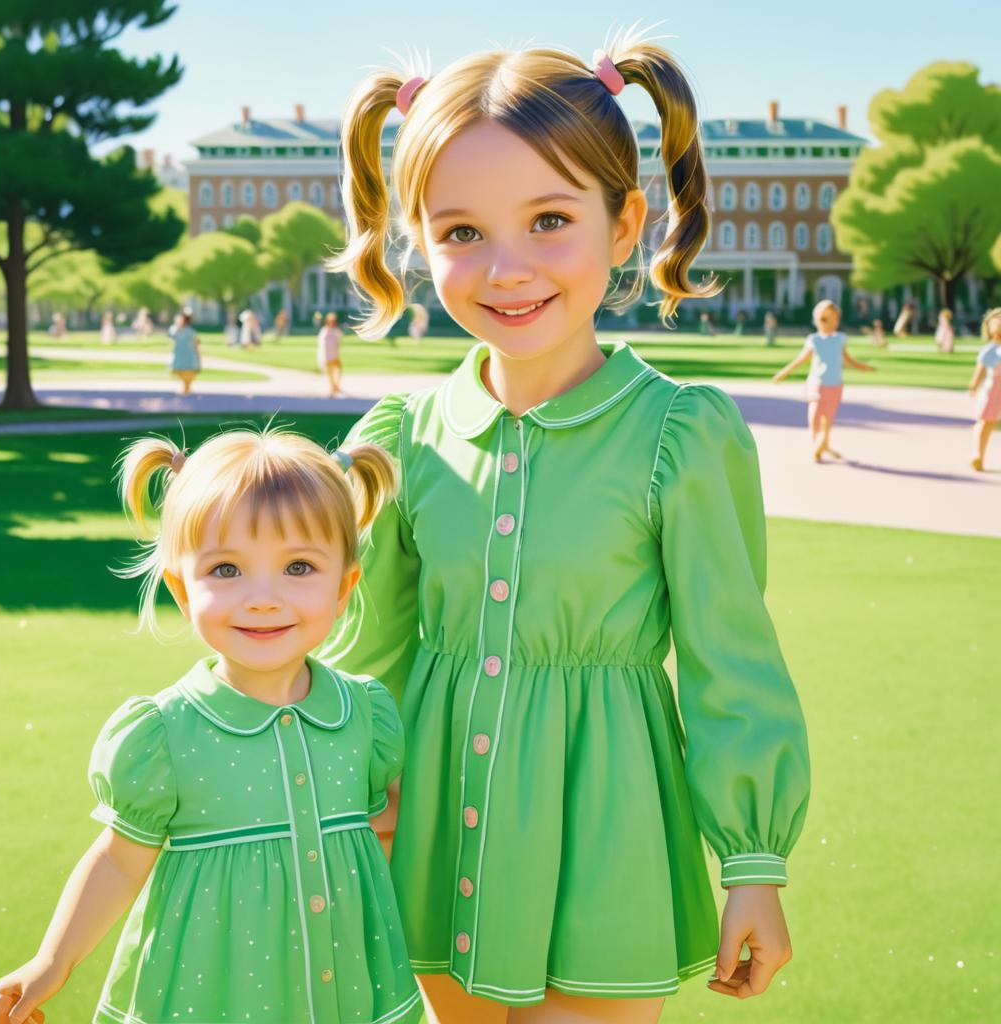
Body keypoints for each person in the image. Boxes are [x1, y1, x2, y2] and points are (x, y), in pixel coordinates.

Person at [321, 33, 810, 1024]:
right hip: (426, 842)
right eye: (460, 232)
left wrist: (752, 862)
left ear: (625, 223)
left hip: (608, 843)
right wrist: (348, 787)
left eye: (549, 220)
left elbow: (729, 660)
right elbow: (366, 654)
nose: (507, 269)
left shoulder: (679, 436)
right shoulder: (400, 439)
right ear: (415, 238)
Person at [0, 429, 422, 1024]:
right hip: (215, 998)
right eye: (226, 569)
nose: (263, 598)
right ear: (182, 591)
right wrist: (53, 960)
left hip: (348, 993)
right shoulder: (164, 735)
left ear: (344, 586)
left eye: (298, 566)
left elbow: (380, 837)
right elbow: (118, 861)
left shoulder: (363, 716)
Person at [772, 299, 875, 462]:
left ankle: (823, 444)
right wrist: (783, 373)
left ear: (837, 321)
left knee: (828, 418)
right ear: (817, 320)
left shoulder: (840, 338)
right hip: (817, 385)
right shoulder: (814, 340)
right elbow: (800, 360)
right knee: (814, 418)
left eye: (833, 319)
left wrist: (864, 367)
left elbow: (848, 360)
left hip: (835, 386)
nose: (828, 323)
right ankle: (820, 443)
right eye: (824, 319)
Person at [968, 307, 1001, 471]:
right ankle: (978, 455)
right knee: (985, 423)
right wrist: (973, 386)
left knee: (986, 424)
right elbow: (980, 371)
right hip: (993, 392)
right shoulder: (991, 351)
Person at [168, 308, 201, 395]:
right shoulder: (174, 329)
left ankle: (187, 388)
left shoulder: (190, 331)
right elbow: (172, 337)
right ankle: (186, 387)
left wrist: (198, 354)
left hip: (188, 354)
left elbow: (195, 343)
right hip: (179, 353)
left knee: (189, 371)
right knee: (180, 371)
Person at [317, 311, 344, 396]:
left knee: (338, 371)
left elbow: (339, 340)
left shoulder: (336, 330)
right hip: (327, 355)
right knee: (330, 373)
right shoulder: (324, 330)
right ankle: (333, 387)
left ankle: (336, 386)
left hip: (335, 355)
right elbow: (320, 343)